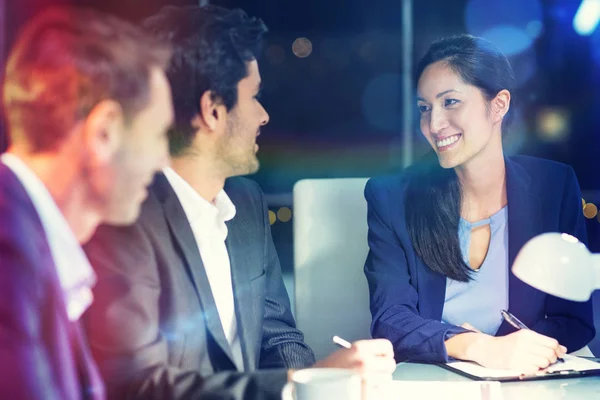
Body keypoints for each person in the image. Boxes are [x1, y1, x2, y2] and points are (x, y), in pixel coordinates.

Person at [82, 5, 395, 400]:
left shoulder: (246, 202)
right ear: (213, 111)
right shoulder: (126, 221)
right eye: (254, 96)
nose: (263, 115)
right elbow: (139, 387)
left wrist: (324, 382)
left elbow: (278, 335)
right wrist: (301, 384)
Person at [364, 34, 595, 375]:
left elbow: (573, 319)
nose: (433, 124)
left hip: (525, 380)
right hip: (430, 382)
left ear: (498, 105)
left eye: (451, 102)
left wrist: (515, 349)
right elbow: (390, 319)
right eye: (425, 108)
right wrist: (476, 346)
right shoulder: (393, 196)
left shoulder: (553, 186)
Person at [0, 6, 173, 399]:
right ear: (104, 133)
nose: (163, 161)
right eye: (158, 134)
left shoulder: (30, 242)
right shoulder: (8, 253)